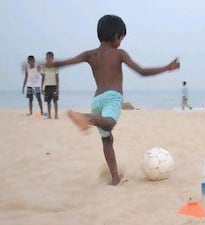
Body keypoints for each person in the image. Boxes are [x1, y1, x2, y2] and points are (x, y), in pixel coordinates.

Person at [45, 15, 180, 186]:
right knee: (109, 123)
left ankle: (115, 178)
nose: (121, 42)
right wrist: (167, 68)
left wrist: (46, 64)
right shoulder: (119, 54)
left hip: (97, 100)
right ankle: (85, 118)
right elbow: (142, 71)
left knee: (107, 139)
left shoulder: (90, 54)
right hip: (112, 97)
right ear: (117, 37)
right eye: (122, 38)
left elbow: (64, 63)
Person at [41, 51, 59, 119]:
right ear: (46, 58)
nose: (48, 59)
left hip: (54, 86)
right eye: (47, 57)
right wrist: (41, 88)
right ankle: (49, 115)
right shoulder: (44, 67)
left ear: (53, 58)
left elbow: (57, 78)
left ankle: (56, 115)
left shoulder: (55, 67)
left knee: (55, 101)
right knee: (48, 102)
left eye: (50, 57)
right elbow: (43, 78)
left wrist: (57, 88)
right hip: (47, 86)